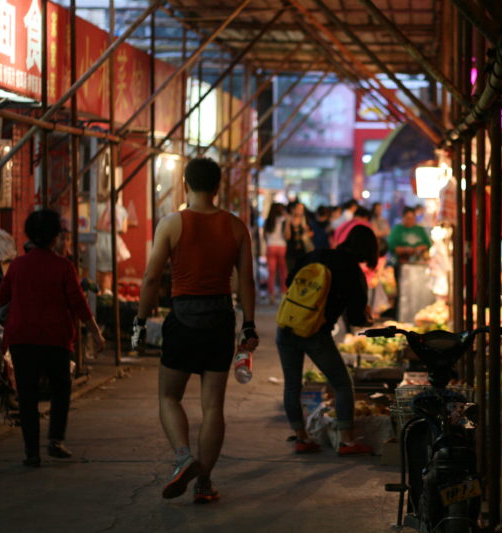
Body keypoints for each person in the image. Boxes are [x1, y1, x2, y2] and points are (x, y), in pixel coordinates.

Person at [131, 157, 259, 503]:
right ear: (218, 187)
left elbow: (151, 277)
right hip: (220, 320)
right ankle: (204, 483)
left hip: (182, 320)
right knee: (212, 408)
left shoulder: (171, 223)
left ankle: (184, 457)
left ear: (185, 185)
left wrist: (139, 324)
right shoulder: (236, 227)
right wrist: (248, 324)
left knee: (169, 397)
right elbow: (246, 281)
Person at [0, 209, 105, 467]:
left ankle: (31, 452)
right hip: (55, 340)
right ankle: (55, 440)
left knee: (27, 394)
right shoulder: (64, 267)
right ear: (55, 237)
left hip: (22, 339)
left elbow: (0, 297)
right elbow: (79, 304)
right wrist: (96, 332)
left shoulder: (18, 266)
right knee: (60, 389)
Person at [276, 225, 378, 455]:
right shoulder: (353, 272)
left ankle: (301, 437)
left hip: (287, 325)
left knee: (292, 385)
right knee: (342, 384)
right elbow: (356, 318)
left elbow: (289, 280)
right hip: (314, 334)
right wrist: (367, 317)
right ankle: (348, 441)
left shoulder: (318, 254)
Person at [388, 207, 434, 322]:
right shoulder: (397, 230)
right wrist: (406, 250)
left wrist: (418, 249)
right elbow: (393, 247)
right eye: (408, 218)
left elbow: (427, 244)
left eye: (412, 218)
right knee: (402, 294)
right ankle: (401, 318)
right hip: (401, 265)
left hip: (419, 265)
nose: (410, 221)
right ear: (403, 218)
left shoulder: (419, 229)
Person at [263, 203, 288, 304]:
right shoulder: (284, 220)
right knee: (283, 272)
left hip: (270, 246)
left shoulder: (267, 221)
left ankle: (271, 295)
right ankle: (283, 293)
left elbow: (264, 236)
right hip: (282, 246)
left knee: (271, 272)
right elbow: (286, 234)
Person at [284, 202, 314, 273]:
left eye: (302, 209)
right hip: (291, 253)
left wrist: (306, 231)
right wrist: (287, 224)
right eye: (299, 209)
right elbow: (287, 237)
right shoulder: (288, 221)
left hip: (303, 252)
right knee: (292, 273)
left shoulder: (305, 220)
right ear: (293, 210)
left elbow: (311, 234)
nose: (301, 211)